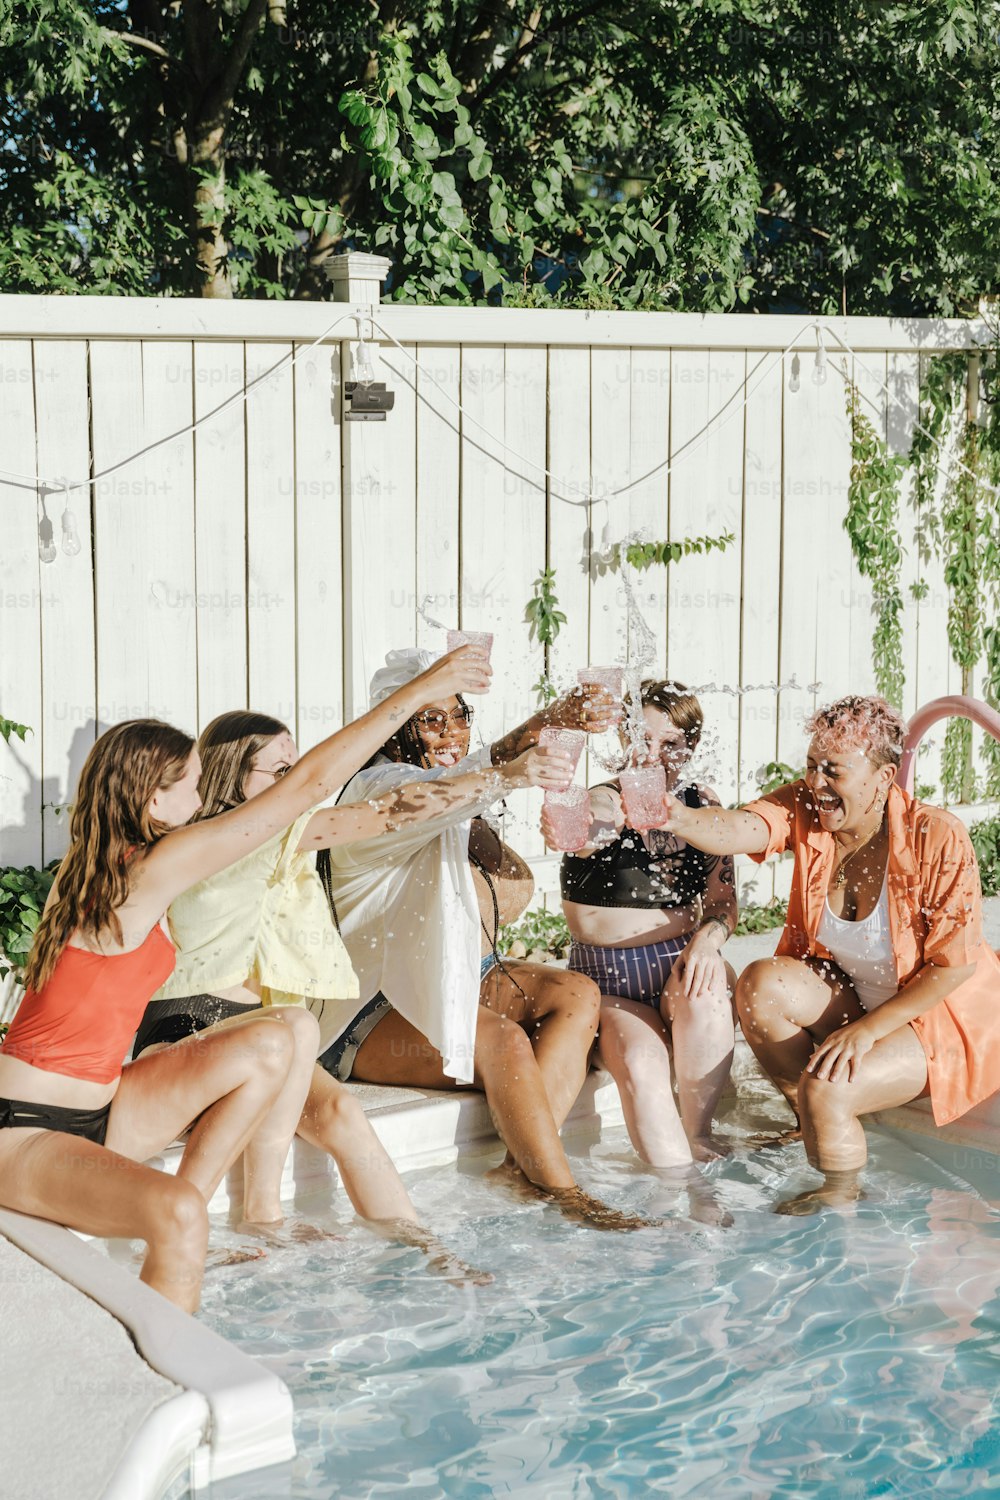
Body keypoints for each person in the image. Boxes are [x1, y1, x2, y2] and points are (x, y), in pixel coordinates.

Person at [0, 647, 490, 1310]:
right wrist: (427, 687)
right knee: (174, 1213)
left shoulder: (118, 861)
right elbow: (307, 787)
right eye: (193, 783)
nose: (205, 797)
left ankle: (257, 1213)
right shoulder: (147, 871)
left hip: (104, 1109)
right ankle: (181, 1385)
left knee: (280, 1033)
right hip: (25, 1128)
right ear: (152, 795)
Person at [131, 702, 570, 1273]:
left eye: (295, 770)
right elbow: (388, 813)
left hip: (267, 1032)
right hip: (191, 1027)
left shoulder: (280, 837)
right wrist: (504, 776)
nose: (295, 785)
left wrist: (502, 769)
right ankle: (233, 1219)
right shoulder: (218, 841)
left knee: (342, 1112)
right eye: (279, 773)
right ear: (229, 775)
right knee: (287, 1040)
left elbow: (393, 813)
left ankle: (428, 1254)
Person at [323, 647, 652, 1231]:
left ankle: (515, 1168)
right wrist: (508, 773)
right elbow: (445, 788)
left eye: (459, 715)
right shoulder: (373, 790)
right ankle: (564, 1194)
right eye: (430, 720)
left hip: (450, 980)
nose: (450, 732)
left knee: (575, 994)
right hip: (368, 1009)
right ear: (394, 728)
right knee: (503, 1041)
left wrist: (561, 715)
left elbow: (476, 768)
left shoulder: (453, 783)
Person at [658, 694, 1000, 1212]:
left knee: (829, 1088)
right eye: (812, 766)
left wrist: (865, 1032)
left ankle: (840, 1197)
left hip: (938, 1019)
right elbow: (737, 828)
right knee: (759, 986)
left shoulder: (938, 836)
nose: (816, 783)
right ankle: (811, 1122)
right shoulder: (809, 809)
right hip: (856, 998)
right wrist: (674, 816)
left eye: (834, 770)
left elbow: (953, 968)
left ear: (885, 777)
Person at [550, 679, 738, 1169]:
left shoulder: (703, 804)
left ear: (692, 746)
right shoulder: (604, 799)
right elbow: (590, 826)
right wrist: (574, 826)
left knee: (711, 984)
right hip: (609, 983)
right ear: (622, 741)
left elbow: (722, 902)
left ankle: (700, 1139)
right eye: (641, 741)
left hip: (678, 968)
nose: (652, 756)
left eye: (670, 744)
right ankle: (677, 1191)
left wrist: (706, 943)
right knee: (640, 1061)